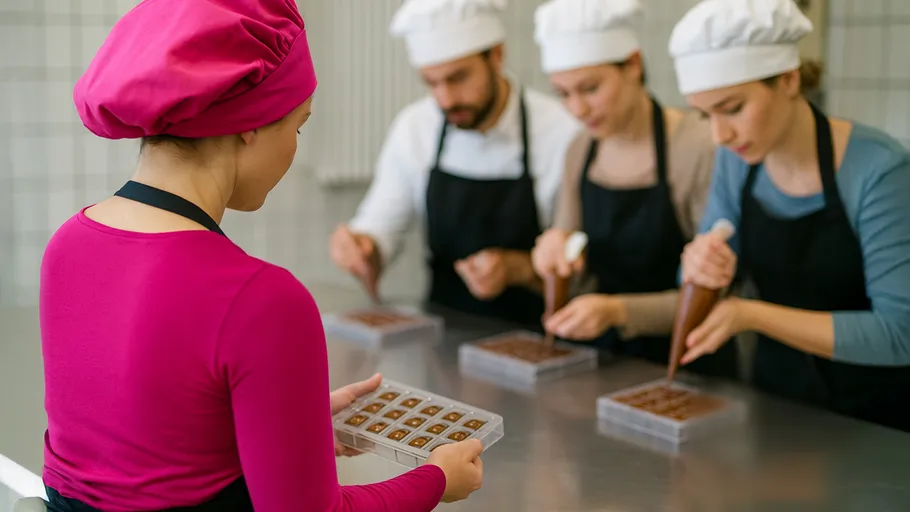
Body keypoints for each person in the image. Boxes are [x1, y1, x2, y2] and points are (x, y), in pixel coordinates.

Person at [40, 1, 484, 511]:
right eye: (297, 126)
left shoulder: (67, 246)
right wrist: (435, 479)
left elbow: (144, 450)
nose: (293, 150)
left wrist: (288, 425)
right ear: (251, 123)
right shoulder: (262, 298)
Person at [670, 0, 910, 431]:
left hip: (875, 422)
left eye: (733, 108)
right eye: (704, 115)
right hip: (776, 407)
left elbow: (900, 333)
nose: (719, 135)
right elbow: (700, 283)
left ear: (789, 79)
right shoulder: (735, 160)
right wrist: (698, 268)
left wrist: (752, 314)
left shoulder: (878, 170)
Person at [330, 0, 582, 328]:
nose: (446, 99)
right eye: (431, 83)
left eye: (458, 77)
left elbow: (580, 262)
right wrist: (363, 248)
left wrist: (516, 268)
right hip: (442, 335)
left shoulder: (562, 132)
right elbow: (381, 226)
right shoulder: (415, 127)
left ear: (496, 55)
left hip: (542, 335)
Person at [529, 0, 737, 377]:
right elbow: (570, 253)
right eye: (562, 93)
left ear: (633, 65)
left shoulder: (697, 146)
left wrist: (617, 311)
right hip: (600, 363)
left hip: (687, 366)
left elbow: (717, 293)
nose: (577, 108)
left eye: (590, 88)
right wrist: (553, 253)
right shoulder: (581, 149)